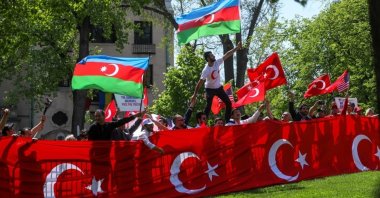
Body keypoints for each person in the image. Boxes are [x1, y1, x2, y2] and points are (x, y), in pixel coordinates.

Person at [191, 42, 242, 123]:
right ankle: (204, 123)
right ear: (208, 58)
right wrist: (194, 94)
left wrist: (237, 48)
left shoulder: (217, 62)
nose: (214, 56)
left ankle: (226, 121)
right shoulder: (206, 70)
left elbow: (227, 54)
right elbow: (200, 83)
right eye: (211, 56)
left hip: (218, 88)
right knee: (208, 105)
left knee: (228, 103)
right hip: (209, 89)